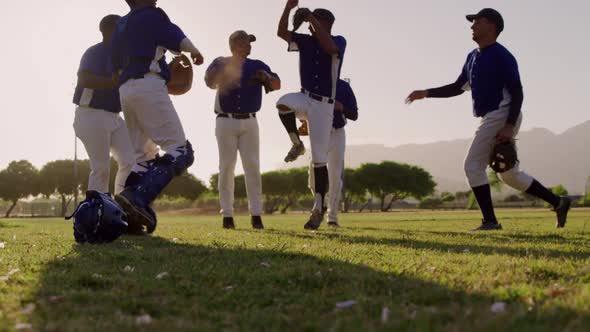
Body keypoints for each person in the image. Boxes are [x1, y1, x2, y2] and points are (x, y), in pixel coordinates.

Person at [406, 8, 571, 230]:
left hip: (502, 114)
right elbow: (458, 87)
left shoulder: (502, 55)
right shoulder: (472, 57)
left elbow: (517, 91)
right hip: (492, 117)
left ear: (491, 26)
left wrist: (509, 125)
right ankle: (559, 202)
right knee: (509, 176)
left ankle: (490, 221)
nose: (472, 26)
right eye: (472, 22)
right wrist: (426, 92)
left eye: (477, 21)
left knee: (472, 165)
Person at [111, 0, 204, 234]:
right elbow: (174, 36)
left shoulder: (121, 24)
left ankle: (125, 216)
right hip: (148, 84)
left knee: (142, 158)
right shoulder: (152, 14)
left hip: (125, 90)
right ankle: (136, 197)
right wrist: (194, 51)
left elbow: (115, 66)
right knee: (181, 151)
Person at [276, 0, 347, 230]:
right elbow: (281, 33)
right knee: (283, 103)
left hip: (324, 106)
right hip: (305, 96)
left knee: (319, 161)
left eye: (315, 21)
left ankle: (318, 208)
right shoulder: (305, 40)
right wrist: (288, 8)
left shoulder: (338, 41)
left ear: (327, 23)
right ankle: (296, 144)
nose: (309, 26)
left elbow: (329, 48)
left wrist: (312, 19)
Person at [205, 30, 281, 230]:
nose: (249, 46)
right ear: (235, 45)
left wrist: (266, 78)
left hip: (250, 122)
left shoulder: (258, 65)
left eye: (249, 43)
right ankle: (227, 216)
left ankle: (256, 215)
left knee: (253, 167)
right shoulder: (220, 62)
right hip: (225, 121)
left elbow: (277, 83)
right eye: (245, 42)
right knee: (227, 167)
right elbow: (209, 82)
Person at [73, 14, 135, 195]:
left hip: (115, 117)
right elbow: (84, 79)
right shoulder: (94, 52)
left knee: (130, 161)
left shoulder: (125, 56)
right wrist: (112, 82)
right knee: (101, 168)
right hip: (91, 114)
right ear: (108, 30)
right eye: (121, 27)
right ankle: (94, 215)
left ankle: (121, 207)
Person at [300, 79, 358, 228]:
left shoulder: (343, 87)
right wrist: (304, 123)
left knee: (335, 176)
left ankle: (332, 217)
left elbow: (354, 115)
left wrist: (341, 107)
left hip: (337, 133)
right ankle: (321, 204)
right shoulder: (313, 84)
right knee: (313, 175)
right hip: (319, 133)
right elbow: (303, 110)